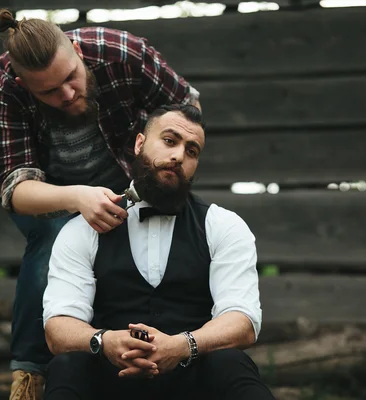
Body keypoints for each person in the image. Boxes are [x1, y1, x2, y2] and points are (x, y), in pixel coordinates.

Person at [0, 9, 201, 399]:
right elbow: (16, 189)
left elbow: (187, 109)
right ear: (21, 82)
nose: (66, 94)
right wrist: (78, 198)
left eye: (70, 78)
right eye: (48, 91)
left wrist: (159, 164)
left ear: (78, 51)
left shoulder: (123, 52)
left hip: (129, 180)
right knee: (54, 241)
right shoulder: (1, 88)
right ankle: (31, 374)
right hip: (50, 195)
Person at [42, 104, 275, 400]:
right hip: (111, 382)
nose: (178, 155)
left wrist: (182, 346)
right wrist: (105, 341)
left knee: (231, 363)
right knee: (67, 366)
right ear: (140, 144)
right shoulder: (84, 228)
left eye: (191, 151)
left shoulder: (224, 225)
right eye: (169, 140)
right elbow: (58, 326)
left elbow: (242, 321)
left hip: (192, 383)